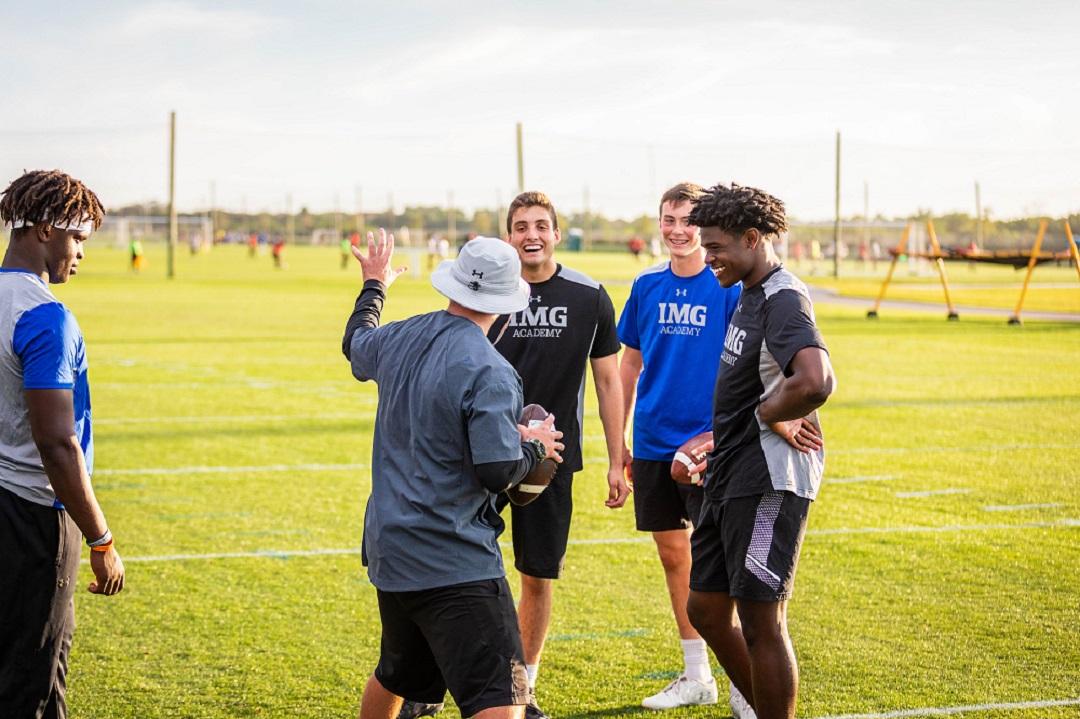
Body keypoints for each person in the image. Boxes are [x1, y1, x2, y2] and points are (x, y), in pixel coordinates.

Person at [343, 231, 564, 719]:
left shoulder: (399, 335)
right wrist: (535, 447)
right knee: (502, 702)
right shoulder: (491, 368)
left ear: (455, 286)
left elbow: (355, 344)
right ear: (507, 305)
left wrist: (374, 285)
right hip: (454, 561)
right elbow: (497, 470)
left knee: (397, 675)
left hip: (391, 551)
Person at [686, 183, 836, 719]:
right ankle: (768, 707)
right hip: (732, 473)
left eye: (717, 248)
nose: (709, 258)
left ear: (753, 238)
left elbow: (815, 379)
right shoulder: (750, 293)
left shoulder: (783, 296)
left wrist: (766, 415)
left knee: (761, 621)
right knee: (704, 608)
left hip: (769, 480)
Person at [492, 191, 627, 719]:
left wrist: (618, 459)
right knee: (453, 569)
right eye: (521, 226)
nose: (531, 235)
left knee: (537, 575)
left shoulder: (589, 296)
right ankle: (427, 685)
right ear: (509, 236)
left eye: (540, 226)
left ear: (555, 232)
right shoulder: (488, 291)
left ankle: (522, 694)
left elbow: (609, 381)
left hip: (550, 462)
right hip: (485, 454)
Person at [0, 169, 125, 717]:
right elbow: (57, 443)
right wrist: (100, 538)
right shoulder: (46, 316)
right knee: (35, 681)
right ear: (46, 228)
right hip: (32, 518)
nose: (81, 252)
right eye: (77, 237)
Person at [617, 182, 742, 711]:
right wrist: (617, 439)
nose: (676, 229)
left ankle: (743, 680)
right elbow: (629, 364)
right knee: (674, 558)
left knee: (722, 565)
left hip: (711, 447)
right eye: (667, 219)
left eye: (687, 220)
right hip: (651, 442)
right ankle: (698, 675)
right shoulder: (646, 287)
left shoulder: (729, 286)